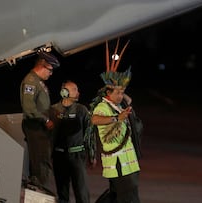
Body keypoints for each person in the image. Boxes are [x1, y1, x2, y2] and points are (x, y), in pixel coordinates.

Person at [91, 39, 141, 203]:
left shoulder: (118, 105)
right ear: (107, 93)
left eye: (122, 92)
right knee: (128, 199)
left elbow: (129, 99)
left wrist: (120, 91)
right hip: (119, 165)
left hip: (129, 164)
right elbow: (94, 119)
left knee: (119, 197)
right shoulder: (103, 108)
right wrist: (116, 119)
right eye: (118, 93)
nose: (121, 96)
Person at [20, 50, 60, 194]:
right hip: (35, 127)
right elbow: (29, 109)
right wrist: (46, 119)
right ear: (42, 65)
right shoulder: (30, 82)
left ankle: (43, 189)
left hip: (40, 127)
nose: (51, 73)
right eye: (50, 70)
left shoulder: (38, 81)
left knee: (44, 159)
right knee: (40, 162)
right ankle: (40, 192)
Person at [50, 80, 96, 203]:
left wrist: (92, 155)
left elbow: (89, 134)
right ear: (64, 92)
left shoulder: (82, 110)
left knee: (82, 192)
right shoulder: (53, 110)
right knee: (62, 192)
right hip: (59, 156)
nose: (78, 92)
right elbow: (49, 136)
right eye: (74, 89)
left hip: (77, 156)